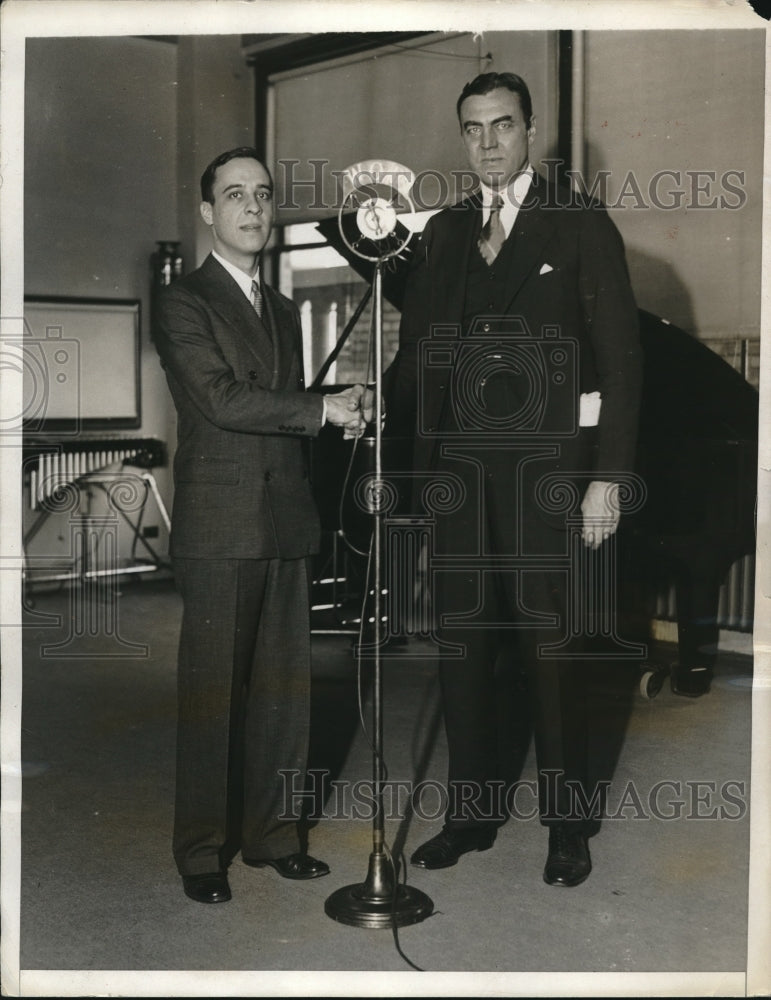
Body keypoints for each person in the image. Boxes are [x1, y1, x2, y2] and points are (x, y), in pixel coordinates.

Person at [388, 73, 642, 886]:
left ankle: (567, 825)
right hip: (460, 480)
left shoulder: (576, 223)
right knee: (462, 650)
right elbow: (421, 357)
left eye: (503, 125)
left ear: (530, 131)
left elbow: (623, 362)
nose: (488, 142)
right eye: (473, 128)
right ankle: (469, 814)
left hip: (549, 478)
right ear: (461, 138)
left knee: (551, 652)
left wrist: (608, 480)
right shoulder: (447, 231)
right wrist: (408, 475)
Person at [154, 147, 370, 904]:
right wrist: (318, 410)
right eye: (234, 195)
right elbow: (219, 398)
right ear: (208, 213)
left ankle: (273, 837)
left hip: (283, 521)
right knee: (214, 693)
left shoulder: (280, 308)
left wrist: (330, 400)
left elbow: (278, 403)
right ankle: (202, 852)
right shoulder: (185, 301)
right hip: (220, 526)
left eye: (263, 194)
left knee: (284, 692)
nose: (252, 207)